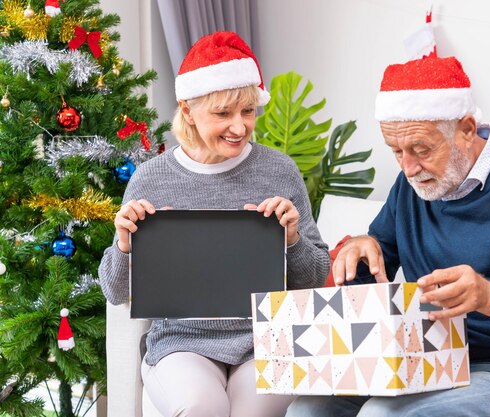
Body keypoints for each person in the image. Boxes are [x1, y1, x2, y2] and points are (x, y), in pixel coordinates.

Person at [286, 57, 490, 416]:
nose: (408, 167)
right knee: (307, 409)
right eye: (396, 151)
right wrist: (360, 249)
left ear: (467, 128)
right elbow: (374, 272)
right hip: (425, 363)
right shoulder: (411, 186)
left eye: (421, 149)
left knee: (381, 414)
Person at [98, 31, 330, 417]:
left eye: (248, 111)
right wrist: (124, 245)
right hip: (181, 342)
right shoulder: (150, 179)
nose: (239, 127)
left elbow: (314, 278)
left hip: (266, 342)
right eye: (223, 114)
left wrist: (292, 240)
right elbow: (116, 291)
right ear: (187, 111)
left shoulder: (279, 170)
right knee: (201, 407)